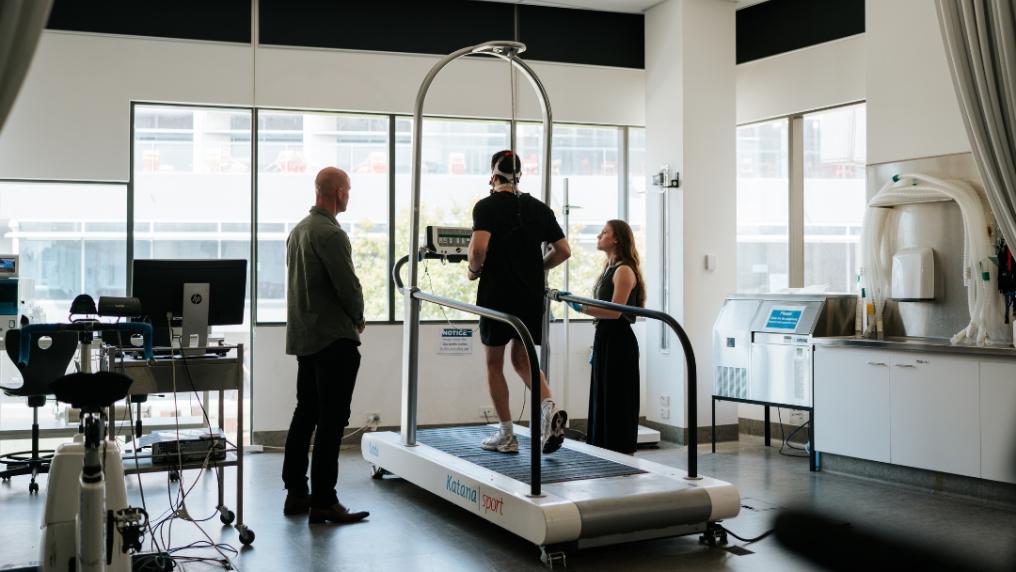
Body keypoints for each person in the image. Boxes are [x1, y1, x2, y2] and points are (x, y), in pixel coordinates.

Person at [468, 150, 572, 454]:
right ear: (520, 175)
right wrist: (536, 268)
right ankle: (549, 411)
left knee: (494, 362)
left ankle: (506, 434)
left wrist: (473, 272)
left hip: (496, 295)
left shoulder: (486, 207)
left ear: (494, 176)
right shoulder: (539, 208)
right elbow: (564, 250)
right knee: (523, 360)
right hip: (529, 295)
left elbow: (478, 250)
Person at [281, 167, 369, 524]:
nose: (349, 195)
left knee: (306, 414)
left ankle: (296, 493)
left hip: (306, 339)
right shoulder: (331, 233)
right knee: (333, 420)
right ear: (336, 191)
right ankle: (324, 500)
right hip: (334, 339)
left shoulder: (298, 231)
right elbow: (347, 285)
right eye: (348, 189)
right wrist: (358, 315)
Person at [566, 219, 645, 454]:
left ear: (617, 239)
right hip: (605, 336)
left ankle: (619, 448)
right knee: (602, 393)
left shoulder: (624, 270)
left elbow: (614, 311)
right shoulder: (608, 269)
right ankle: (602, 447)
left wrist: (579, 306)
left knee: (617, 396)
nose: (598, 236)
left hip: (619, 340)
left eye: (604, 233)